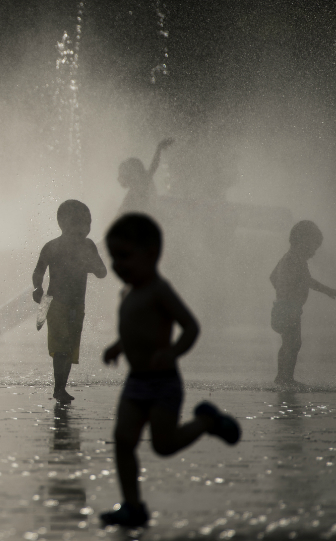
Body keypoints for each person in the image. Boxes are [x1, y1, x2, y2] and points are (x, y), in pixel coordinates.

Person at [100, 213, 240, 528]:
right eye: (113, 258)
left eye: (124, 256)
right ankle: (132, 507)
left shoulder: (159, 290)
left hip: (163, 382)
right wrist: (118, 347)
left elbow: (191, 326)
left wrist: (173, 352)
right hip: (136, 382)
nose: (117, 265)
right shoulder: (129, 293)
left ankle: (206, 421)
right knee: (123, 439)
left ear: (151, 253)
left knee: (162, 446)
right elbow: (135, 330)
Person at [32, 199, 107, 402]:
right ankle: (58, 389)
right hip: (55, 304)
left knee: (70, 348)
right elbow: (39, 271)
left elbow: (102, 272)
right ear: (62, 223)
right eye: (77, 223)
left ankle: (61, 388)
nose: (83, 228)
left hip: (77, 305)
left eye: (87, 223)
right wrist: (37, 288)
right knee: (62, 348)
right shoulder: (52, 246)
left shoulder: (89, 246)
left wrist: (89, 265)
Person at [270, 220, 336, 388]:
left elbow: (272, 276)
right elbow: (308, 281)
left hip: (283, 306)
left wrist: (282, 292)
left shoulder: (289, 257)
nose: (313, 253)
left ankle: (282, 377)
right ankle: (286, 378)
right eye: (313, 247)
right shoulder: (295, 259)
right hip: (288, 308)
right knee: (292, 343)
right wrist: (329, 291)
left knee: (290, 343)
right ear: (301, 241)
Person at [117, 137, 174, 216]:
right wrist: (159, 148)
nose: (119, 179)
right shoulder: (133, 193)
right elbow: (154, 166)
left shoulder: (142, 182)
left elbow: (154, 166)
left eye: (122, 175)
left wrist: (159, 148)